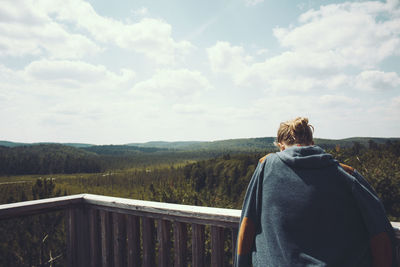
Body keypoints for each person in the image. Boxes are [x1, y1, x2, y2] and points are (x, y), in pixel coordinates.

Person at [235, 117, 397, 267]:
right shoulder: (346, 175)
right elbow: (380, 234)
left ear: (280, 146)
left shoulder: (266, 167)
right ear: (312, 142)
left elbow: (247, 226)